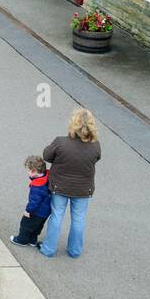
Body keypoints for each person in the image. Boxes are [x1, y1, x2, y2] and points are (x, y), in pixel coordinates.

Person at [40, 109, 101, 259]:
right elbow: (97, 158)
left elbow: (46, 155)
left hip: (59, 186)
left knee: (56, 216)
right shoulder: (95, 145)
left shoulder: (61, 142)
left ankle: (48, 249)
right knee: (79, 218)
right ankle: (74, 250)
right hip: (83, 189)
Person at [10, 156, 51, 247]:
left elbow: (34, 201)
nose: (27, 172)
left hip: (36, 211)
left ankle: (22, 240)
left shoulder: (37, 186)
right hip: (46, 211)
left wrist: (28, 211)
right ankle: (32, 240)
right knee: (37, 226)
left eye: (28, 170)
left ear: (33, 172)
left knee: (26, 225)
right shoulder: (47, 178)